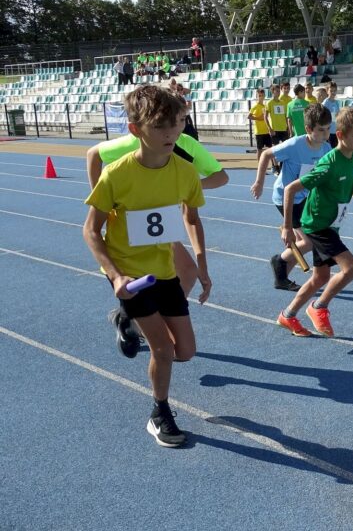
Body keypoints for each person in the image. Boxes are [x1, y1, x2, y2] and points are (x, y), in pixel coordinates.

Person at [83, 85, 212, 448]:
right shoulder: (117, 175)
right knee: (163, 350)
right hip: (130, 275)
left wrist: (202, 265)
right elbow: (91, 231)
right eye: (160, 126)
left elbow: (192, 218)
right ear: (135, 129)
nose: (172, 132)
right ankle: (160, 412)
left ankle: (126, 321)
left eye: (179, 123)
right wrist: (115, 275)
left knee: (186, 350)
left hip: (165, 270)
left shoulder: (184, 173)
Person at [86, 126, 227, 356]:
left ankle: (137, 322)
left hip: (160, 229)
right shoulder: (140, 141)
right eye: (167, 122)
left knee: (188, 272)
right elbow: (93, 154)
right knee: (148, 279)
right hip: (130, 229)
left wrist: (187, 185)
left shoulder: (186, 144)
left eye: (180, 121)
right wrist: (103, 202)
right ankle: (138, 321)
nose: (173, 129)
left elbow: (221, 176)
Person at [277, 107, 353, 337]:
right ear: (340, 135)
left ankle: (287, 315)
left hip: (331, 224)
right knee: (351, 267)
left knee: (320, 277)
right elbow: (290, 189)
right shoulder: (329, 163)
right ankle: (318, 307)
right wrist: (288, 227)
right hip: (317, 224)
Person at [251, 104, 332, 291]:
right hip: (285, 198)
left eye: (328, 129)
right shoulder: (295, 145)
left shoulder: (326, 148)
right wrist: (259, 182)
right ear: (308, 129)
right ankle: (279, 261)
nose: (326, 134)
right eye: (321, 130)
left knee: (304, 240)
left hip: (305, 197)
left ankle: (281, 277)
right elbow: (265, 154)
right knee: (309, 241)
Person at [247, 88, 272, 156]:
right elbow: (249, 116)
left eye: (262, 95)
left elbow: (266, 117)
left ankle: (274, 164)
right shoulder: (255, 107)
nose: (261, 97)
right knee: (259, 149)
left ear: (264, 96)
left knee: (270, 148)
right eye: (259, 95)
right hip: (259, 132)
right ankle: (259, 165)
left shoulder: (265, 106)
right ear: (257, 96)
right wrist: (258, 118)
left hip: (266, 131)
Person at [322, 81, 340, 148]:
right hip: (328, 131)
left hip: (335, 131)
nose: (333, 92)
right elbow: (323, 117)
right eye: (331, 90)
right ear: (327, 91)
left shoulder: (336, 103)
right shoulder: (325, 103)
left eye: (334, 90)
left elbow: (338, 115)